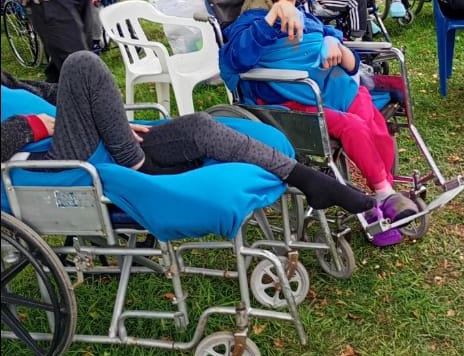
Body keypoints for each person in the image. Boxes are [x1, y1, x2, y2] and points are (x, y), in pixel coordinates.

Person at [1, 52, 374, 218]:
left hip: (88, 140)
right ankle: (143, 170)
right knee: (81, 63)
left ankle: (308, 180)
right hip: (52, 165)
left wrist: (108, 118)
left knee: (198, 125)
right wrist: (33, 126)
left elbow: (56, 94)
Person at [218, 0, 420, 246]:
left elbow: (330, 39)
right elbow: (235, 58)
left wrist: (332, 41)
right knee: (353, 125)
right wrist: (273, 16)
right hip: (294, 102)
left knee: (375, 124)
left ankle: (382, 196)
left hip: (336, 88)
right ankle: (383, 195)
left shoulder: (305, 13)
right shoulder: (253, 20)